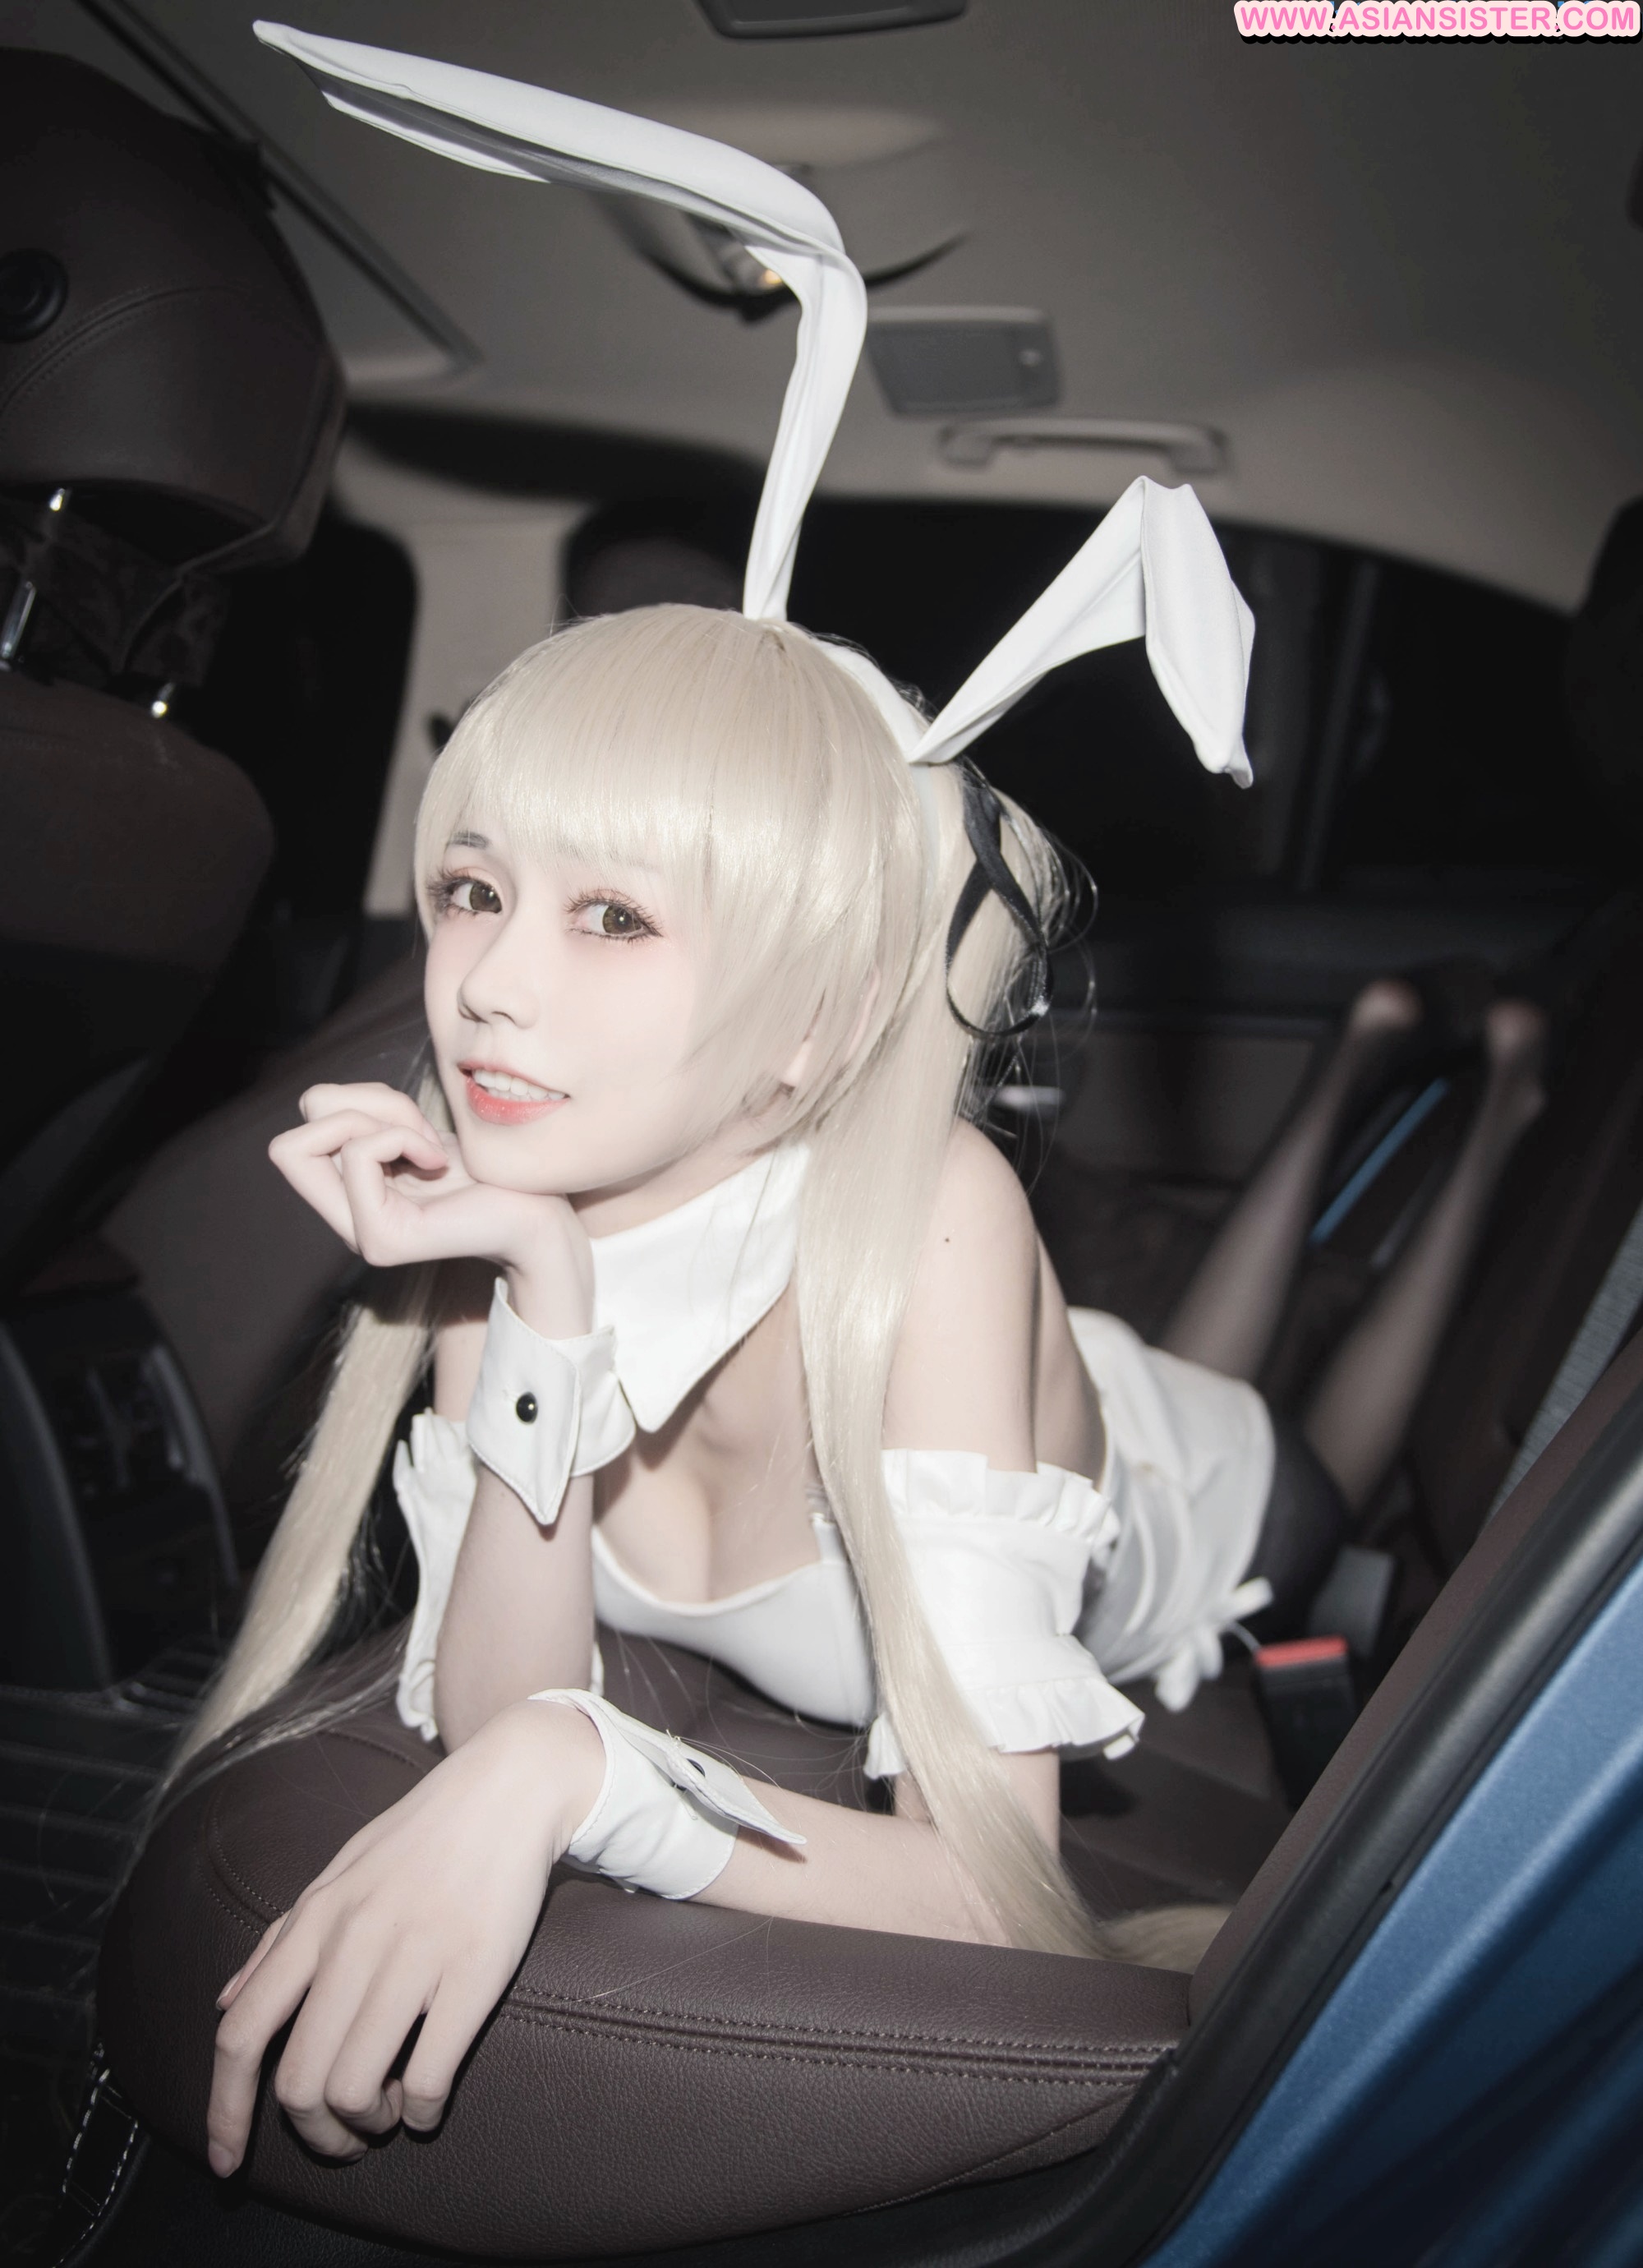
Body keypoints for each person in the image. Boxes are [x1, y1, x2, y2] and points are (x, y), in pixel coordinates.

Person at [184, 26, 1549, 2184]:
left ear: (811, 1032)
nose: (486, 983)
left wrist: (591, 1782)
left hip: (1176, 1497)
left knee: (1302, 1445)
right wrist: (530, 1291)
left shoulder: (935, 1214)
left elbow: (999, 1893)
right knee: (1162, 1348)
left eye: (616, 916)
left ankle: (1479, 1098)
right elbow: (496, 1700)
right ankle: (1387, 1060)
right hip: (1032, 1391)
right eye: (474, 888)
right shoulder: (500, 1223)